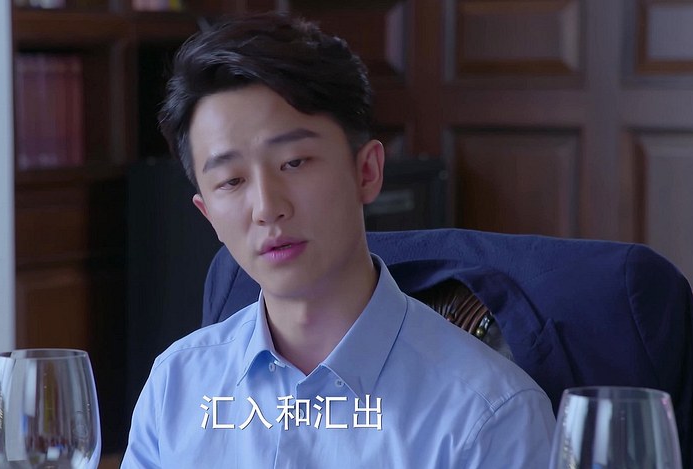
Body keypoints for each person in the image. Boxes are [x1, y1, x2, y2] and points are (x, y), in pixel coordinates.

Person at [123, 12, 555, 468]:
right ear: (207, 213)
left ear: (366, 172)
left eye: (294, 162)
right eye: (231, 181)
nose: (267, 207)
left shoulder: (489, 417)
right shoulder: (176, 387)